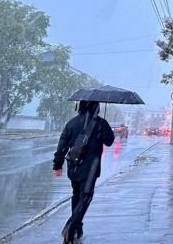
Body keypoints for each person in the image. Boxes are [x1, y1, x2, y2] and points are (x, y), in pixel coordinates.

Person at [53, 101, 114, 243]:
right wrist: (103, 128)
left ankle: (77, 227)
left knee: (76, 195)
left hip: (74, 166)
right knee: (85, 197)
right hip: (91, 168)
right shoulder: (100, 123)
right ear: (96, 107)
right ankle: (72, 226)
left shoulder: (72, 123)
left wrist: (57, 164)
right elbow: (109, 141)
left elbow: (62, 144)